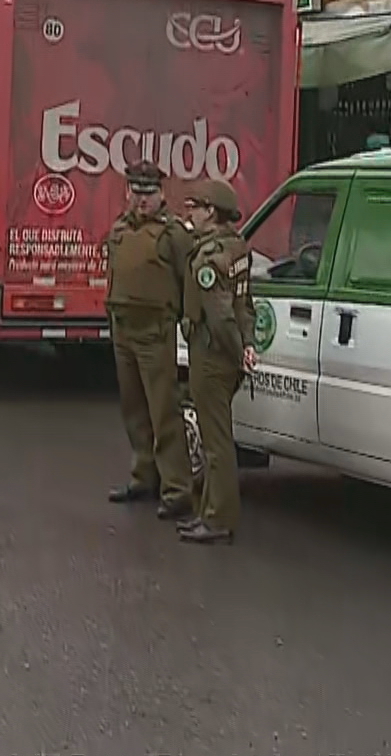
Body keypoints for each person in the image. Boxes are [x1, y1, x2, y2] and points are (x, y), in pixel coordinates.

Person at [103, 159, 197, 521]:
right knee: (134, 409)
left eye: (149, 193)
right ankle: (143, 476)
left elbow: (187, 279)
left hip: (155, 331)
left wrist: (188, 321)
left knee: (164, 412)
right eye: (136, 192)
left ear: (162, 194)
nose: (142, 200)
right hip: (123, 327)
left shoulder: (174, 234)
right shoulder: (120, 229)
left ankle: (177, 490)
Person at [177, 179, 256, 545]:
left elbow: (222, 316)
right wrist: (248, 344)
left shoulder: (209, 259)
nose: (189, 211)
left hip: (210, 355)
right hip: (224, 355)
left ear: (211, 212)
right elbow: (245, 306)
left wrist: (235, 351)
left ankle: (218, 517)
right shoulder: (237, 248)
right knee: (217, 439)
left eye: (195, 206)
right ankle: (209, 511)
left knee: (216, 442)